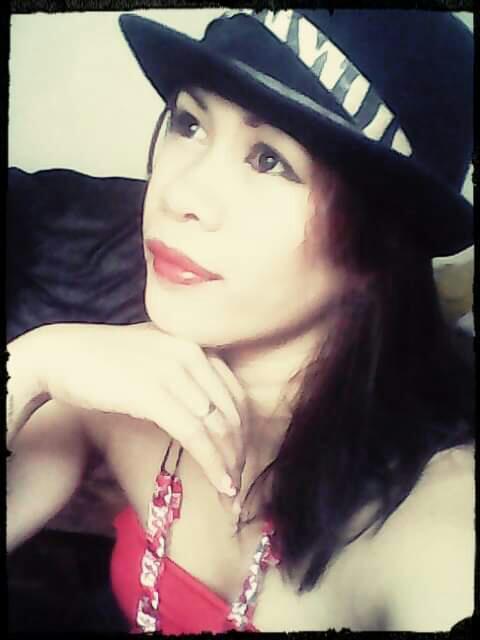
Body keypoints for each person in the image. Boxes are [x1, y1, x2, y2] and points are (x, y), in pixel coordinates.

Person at [6, 8, 474, 633]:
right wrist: (32, 364)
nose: (178, 196)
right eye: (189, 123)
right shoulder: (127, 382)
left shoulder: (438, 518)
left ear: (378, 244)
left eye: (269, 160)